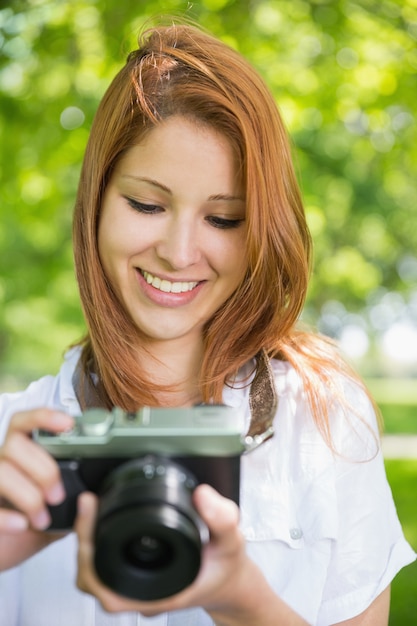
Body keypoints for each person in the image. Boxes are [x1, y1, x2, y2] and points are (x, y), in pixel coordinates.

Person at [0, 19, 415, 626]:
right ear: (96, 201)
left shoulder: (323, 421)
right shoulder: (15, 447)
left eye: (224, 219)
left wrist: (242, 601)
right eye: (146, 204)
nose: (178, 251)